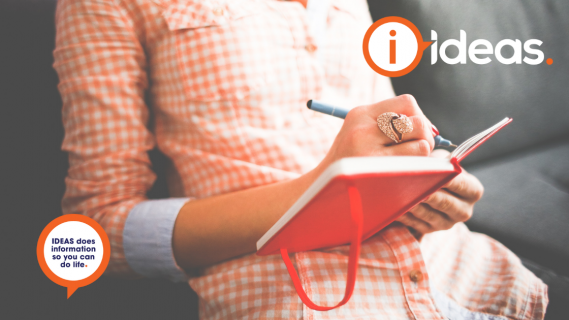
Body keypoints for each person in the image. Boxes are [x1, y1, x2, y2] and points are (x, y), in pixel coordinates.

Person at [54, 0, 547, 318]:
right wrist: (323, 188)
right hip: (304, 297)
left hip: (472, 277)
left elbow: (385, 132)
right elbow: (96, 229)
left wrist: (423, 185)